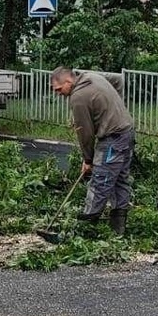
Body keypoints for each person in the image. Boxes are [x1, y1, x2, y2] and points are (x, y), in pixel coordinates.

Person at [49, 66, 135, 235]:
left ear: (68, 81)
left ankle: (86, 227)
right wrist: (115, 107)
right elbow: (118, 79)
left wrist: (88, 160)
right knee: (120, 179)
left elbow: (85, 133)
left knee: (100, 181)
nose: (58, 93)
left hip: (113, 138)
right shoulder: (91, 76)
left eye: (59, 89)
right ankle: (118, 230)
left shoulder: (78, 98)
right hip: (127, 131)